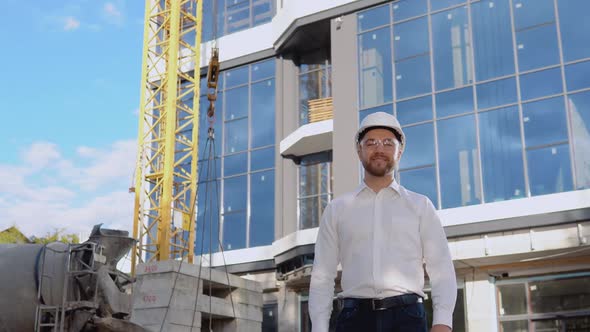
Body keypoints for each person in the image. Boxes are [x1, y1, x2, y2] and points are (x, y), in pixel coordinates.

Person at [309, 112, 456, 332]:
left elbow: (441, 266)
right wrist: (319, 327)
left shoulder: (420, 206)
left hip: (407, 318)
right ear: (359, 151)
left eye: (388, 143)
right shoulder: (337, 209)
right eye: (371, 143)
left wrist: (443, 321)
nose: (379, 149)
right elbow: (322, 274)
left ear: (400, 150)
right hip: (353, 319)